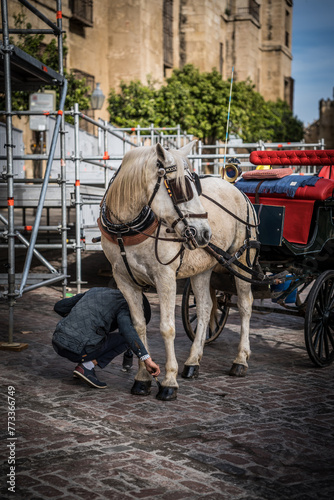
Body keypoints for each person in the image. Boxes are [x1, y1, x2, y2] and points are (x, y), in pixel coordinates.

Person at [52, 287, 160, 389]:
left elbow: (59, 307)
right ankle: (86, 367)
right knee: (127, 338)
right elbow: (128, 332)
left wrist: (75, 323)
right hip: (77, 351)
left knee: (101, 335)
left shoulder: (95, 290)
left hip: (57, 342)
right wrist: (147, 359)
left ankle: (84, 361)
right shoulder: (125, 304)